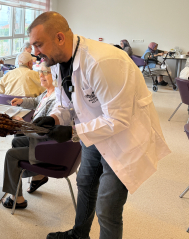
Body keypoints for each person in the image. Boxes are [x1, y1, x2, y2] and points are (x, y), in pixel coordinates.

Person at [27, 12, 170, 239]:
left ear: (60, 38)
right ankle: (79, 234)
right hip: (93, 131)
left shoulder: (102, 62)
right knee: (85, 182)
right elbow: (67, 103)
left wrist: (73, 132)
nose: (35, 52)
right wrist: (54, 118)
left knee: (107, 208)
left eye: (38, 44)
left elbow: (119, 120)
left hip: (124, 138)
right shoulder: (57, 62)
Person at [1, 62, 56, 209]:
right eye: (40, 72)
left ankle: (17, 199)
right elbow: (36, 101)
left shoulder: (57, 100)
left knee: (11, 154)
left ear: (56, 74)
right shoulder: (48, 92)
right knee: (17, 140)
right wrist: (22, 101)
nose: (41, 75)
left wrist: (22, 123)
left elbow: (43, 131)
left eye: (46, 72)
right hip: (43, 141)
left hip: (46, 146)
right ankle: (37, 175)